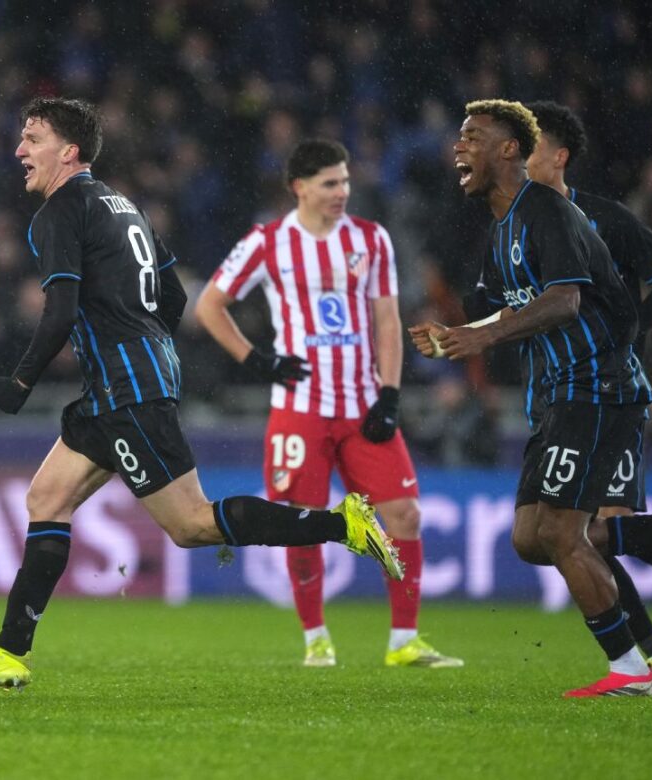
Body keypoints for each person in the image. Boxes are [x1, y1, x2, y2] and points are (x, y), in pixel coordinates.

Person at [0, 97, 403, 690]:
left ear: (68, 151)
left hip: (125, 388)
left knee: (190, 525)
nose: (19, 150)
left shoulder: (60, 211)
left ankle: (342, 525)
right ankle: (10, 652)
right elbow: (175, 296)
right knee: (45, 499)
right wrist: (141, 338)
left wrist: (21, 380)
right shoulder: (124, 206)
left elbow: (60, 310)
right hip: (126, 381)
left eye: (32, 139)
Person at [409, 99, 652, 697]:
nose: (458, 146)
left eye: (472, 136)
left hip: (596, 386)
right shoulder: (502, 229)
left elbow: (564, 300)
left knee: (560, 532)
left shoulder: (549, 211)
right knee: (530, 537)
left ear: (510, 149)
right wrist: (456, 334)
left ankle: (633, 669)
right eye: (458, 137)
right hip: (557, 394)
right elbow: (510, 309)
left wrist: (481, 336)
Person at [196, 138, 462, 669]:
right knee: (302, 522)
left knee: (404, 514)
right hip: (299, 408)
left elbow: (387, 320)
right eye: (330, 183)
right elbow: (210, 304)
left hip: (363, 405)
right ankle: (316, 638)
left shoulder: (370, 238)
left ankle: (404, 640)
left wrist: (390, 394)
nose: (342, 191)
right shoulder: (267, 242)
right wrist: (257, 360)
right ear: (299, 187)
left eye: (345, 181)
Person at [523, 100, 652, 685]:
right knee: (547, 538)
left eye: (531, 147)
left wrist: (625, 331)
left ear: (559, 156)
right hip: (551, 398)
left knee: (590, 528)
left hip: (608, 393)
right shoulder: (513, 225)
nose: (519, 158)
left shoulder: (604, 219)